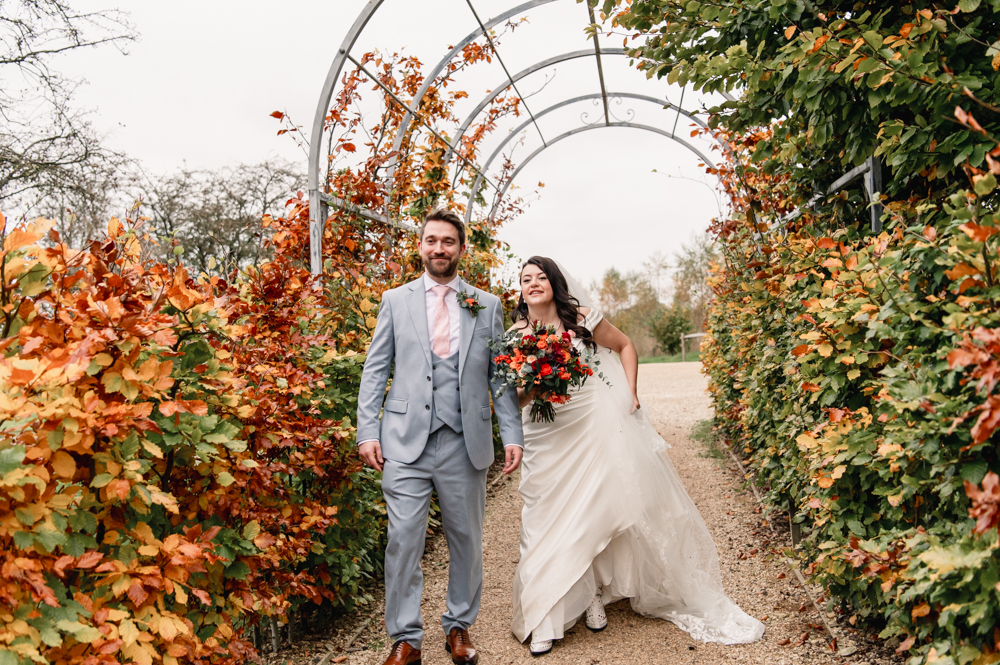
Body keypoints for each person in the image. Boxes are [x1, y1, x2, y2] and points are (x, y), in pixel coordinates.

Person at [509, 256, 765, 656]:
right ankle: (546, 610)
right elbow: (515, 398)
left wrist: (631, 392)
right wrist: (537, 385)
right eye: (526, 279)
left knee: (595, 509)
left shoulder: (581, 318)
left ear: (554, 283)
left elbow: (625, 346)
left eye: (541, 276)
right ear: (521, 290)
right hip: (546, 432)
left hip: (590, 421)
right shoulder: (515, 335)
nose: (534, 283)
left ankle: (592, 593)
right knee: (544, 517)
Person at [356, 208, 525, 665]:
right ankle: (406, 639)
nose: (439, 248)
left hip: (464, 442)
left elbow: (499, 377)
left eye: (448, 241)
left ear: (461, 249)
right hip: (404, 441)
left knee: (465, 539)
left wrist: (512, 435)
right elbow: (375, 370)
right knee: (403, 540)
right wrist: (367, 430)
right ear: (420, 246)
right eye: (431, 240)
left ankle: (458, 627)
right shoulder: (396, 300)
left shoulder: (486, 304)